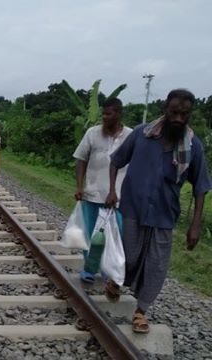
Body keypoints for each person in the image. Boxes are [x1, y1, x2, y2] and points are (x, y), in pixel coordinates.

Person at [107, 89, 211, 334]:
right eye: (174, 112)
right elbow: (116, 160)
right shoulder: (142, 135)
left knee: (156, 265)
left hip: (165, 213)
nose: (178, 118)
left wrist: (194, 224)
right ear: (165, 109)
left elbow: (201, 187)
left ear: (189, 115)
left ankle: (141, 312)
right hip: (133, 206)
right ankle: (117, 281)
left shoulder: (193, 146)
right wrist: (112, 191)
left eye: (184, 114)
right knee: (130, 256)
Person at [73, 98, 132, 284]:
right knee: (91, 235)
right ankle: (89, 269)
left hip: (119, 198)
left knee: (114, 236)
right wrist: (80, 186)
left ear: (119, 114)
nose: (105, 118)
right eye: (103, 114)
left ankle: (108, 271)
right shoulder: (92, 133)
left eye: (109, 114)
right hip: (93, 193)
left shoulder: (131, 136)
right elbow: (81, 159)